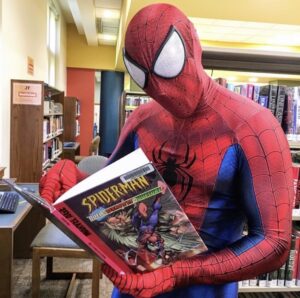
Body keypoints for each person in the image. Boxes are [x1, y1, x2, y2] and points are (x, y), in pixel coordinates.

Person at [40, 3, 294, 298]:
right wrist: (71, 178)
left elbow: (275, 243)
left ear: (193, 46)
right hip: (135, 281)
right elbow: (110, 193)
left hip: (205, 290)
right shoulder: (142, 118)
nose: (160, 90)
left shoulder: (254, 126)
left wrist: (179, 272)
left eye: (168, 65)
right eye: (142, 74)